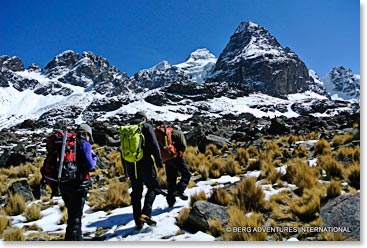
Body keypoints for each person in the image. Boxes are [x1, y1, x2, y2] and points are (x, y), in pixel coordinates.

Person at [124, 111, 164, 230]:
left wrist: (126, 170)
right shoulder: (146, 126)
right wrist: (159, 161)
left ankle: (138, 222)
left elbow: (123, 151)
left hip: (131, 165)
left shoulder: (126, 129)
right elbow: (154, 144)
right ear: (144, 118)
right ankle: (146, 213)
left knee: (136, 192)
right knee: (154, 187)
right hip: (145, 163)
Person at [59, 123, 97, 241]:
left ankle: (73, 239)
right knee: (75, 217)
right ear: (86, 133)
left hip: (64, 183)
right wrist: (95, 158)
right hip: (78, 184)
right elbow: (90, 165)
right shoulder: (84, 144)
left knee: (72, 215)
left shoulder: (67, 144)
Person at [165, 124, 191, 207]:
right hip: (177, 157)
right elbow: (183, 146)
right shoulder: (179, 133)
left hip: (167, 159)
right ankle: (179, 190)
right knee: (186, 174)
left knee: (171, 179)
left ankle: (170, 202)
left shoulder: (166, 135)